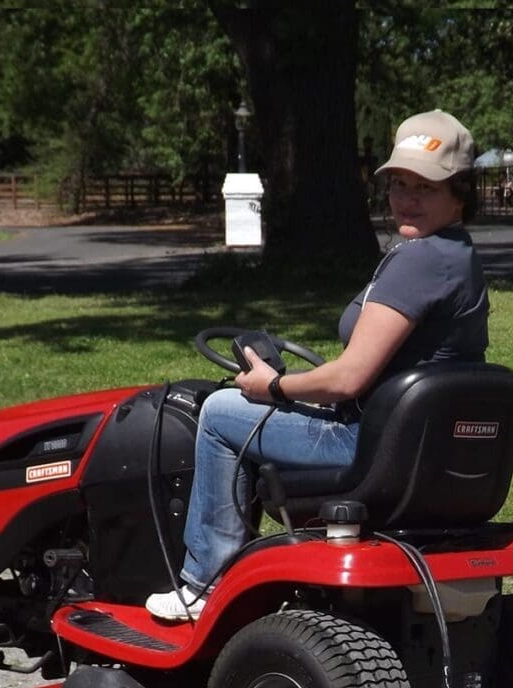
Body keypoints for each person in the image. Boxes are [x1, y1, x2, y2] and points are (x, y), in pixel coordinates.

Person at [146, 109, 489, 621]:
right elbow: (370, 371)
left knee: (219, 413)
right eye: (398, 184)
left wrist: (276, 387)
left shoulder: (421, 261)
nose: (406, 198)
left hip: (367, 444)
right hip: (408, 440)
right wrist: (307, 387)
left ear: (459, 191)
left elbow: (350, 377)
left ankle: (202, 581)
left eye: (426, 187)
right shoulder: (457, 256)